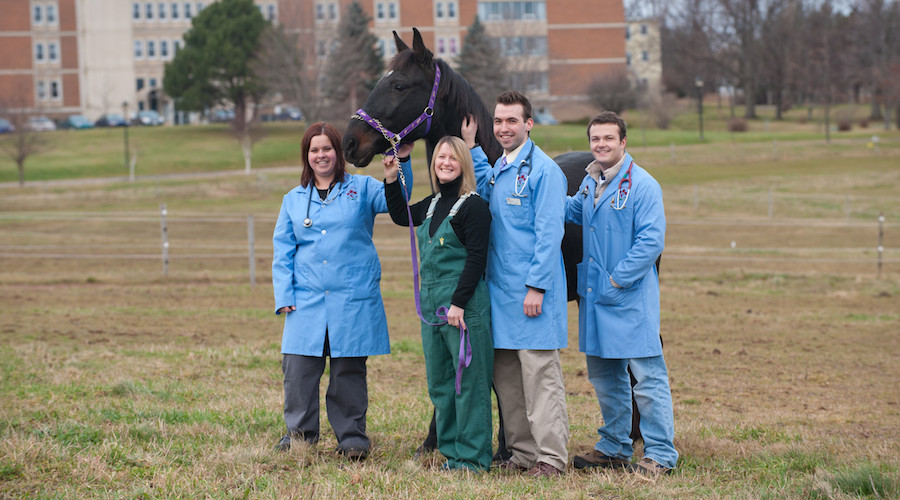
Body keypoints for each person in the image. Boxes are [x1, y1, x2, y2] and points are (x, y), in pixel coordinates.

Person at [271, 122, 412, 460]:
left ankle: (352, 438)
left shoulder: (362, 189)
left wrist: (399, 166)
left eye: (327, 148)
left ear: (338, 152)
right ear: (307, 156)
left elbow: (399, 203)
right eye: (314, 149)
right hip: (305, 301)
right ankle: (299, 435)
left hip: (352, 298)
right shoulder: (293, 199)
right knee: (299, 371)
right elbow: (282, 251)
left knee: (348, 371)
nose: (321, 155)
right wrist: (284, 296)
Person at [565, 111, 677, 478]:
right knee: (605, 377)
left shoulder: (643, 185)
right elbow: (574, 213)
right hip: (595, 298)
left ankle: (660, 453)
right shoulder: (590, 183)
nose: (601, 145)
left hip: (627, 297)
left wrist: (617, 280)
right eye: (595, 139)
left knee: (646, 377)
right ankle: (614, 447)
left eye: (608, 139)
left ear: (623, 142)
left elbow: (650, 242)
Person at [382, 136, 494, 472]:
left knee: (469, 383)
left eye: (452, 158)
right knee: (442, 383)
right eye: (440, 157)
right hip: (431, 309)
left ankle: (472, 459)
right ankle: (451, 454)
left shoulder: (474, 207)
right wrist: (392, 177)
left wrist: (459, 303)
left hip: (462, 309)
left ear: (463, 163)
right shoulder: (431, 204)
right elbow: (402, 216)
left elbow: (477, 258)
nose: (444, 162)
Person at [477, 90, 570, 477]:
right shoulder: (500, 167)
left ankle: (551, 457)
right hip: (499, 294)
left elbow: (550, 234)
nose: (503, 128)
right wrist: (471, 147)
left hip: (533, 295)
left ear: (529, 124)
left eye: (511, 121)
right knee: (508, 380)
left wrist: (536, 286)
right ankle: (523, 453)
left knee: (539, 377)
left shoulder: (545, 171)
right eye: (498, 121)